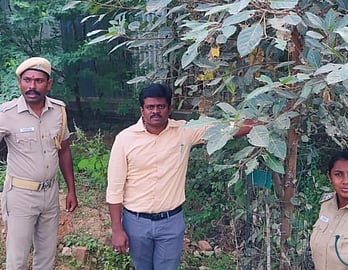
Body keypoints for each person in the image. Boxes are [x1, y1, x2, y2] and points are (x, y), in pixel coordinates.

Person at [106, 83, 252, 269]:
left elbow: (225, 130)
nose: (155, 111)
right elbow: (114, 188)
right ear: (142, 110)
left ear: (170, 108)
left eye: (161, 106)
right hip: (136, 223)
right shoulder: (125, 139)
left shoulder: (185, 131)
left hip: (171, 222)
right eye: (150, 107)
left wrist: (268, 121)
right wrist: (117, 229)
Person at [0, 57, 78, 269]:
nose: (32, 86)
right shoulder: (6, 114)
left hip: (51, 193)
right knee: (17, 257)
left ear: (49, 84)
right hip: (21, 196)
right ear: (19, 83)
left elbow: (64, 150)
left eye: (39, 81)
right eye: (27, 80)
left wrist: (71, 190)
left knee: (46, 255)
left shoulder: (58, 111)